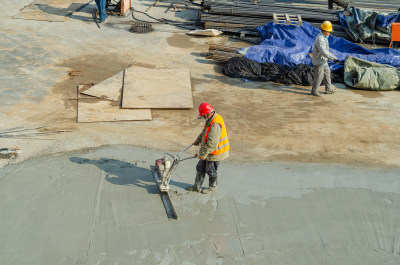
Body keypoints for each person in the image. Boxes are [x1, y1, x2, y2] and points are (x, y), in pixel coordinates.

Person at [186, 103, 230, 194]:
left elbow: (212, 143)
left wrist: (203, 154)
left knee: (210, 170)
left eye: (203, 116)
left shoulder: (215, 124)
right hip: (208, 151)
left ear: (207, 114)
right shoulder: (210, 119)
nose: (202, 118)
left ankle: (212, 188)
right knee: (200, 167)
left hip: (216, 152)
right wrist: (197, 140)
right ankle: (197, 187)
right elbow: (204, 132)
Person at [311, 21, 338, 97]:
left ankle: (328, 89)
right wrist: (332, 57)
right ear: (324, 31)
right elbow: (323, 51)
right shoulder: (320, 39)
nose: (330, 33)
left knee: (327, 73)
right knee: (319, 76)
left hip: (324, 60)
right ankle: (314, 91)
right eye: (329, 32)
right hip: (319, 61)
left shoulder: (324, 37)